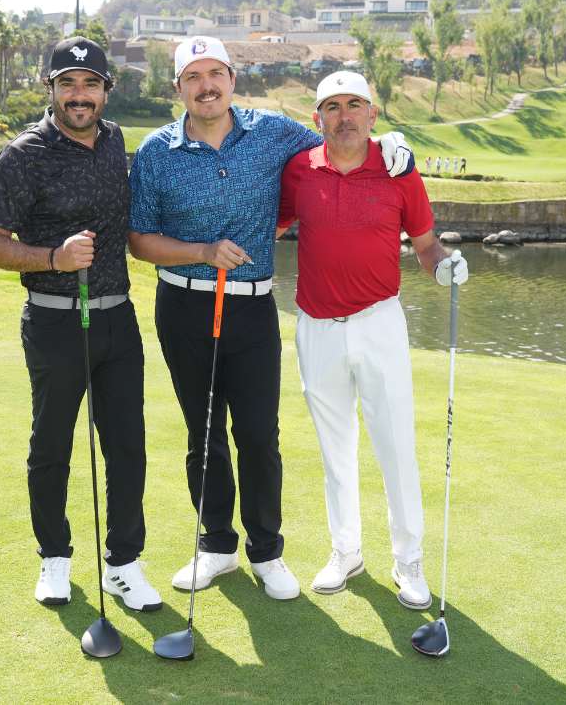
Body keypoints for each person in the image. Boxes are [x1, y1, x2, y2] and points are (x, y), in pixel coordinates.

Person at [128, 36, 413, 601]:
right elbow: (139, 240)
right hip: (184, 305)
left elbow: (340, 144)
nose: (206, 85)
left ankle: (266, 553)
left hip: (252, 306)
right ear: (179, 87)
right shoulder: (157, 151)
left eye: (216, 73)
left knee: (258, 435)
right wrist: (202, 251)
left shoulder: (274, 132)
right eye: (193, 77)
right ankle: (216, 548)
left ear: (232, 79)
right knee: (203, 432)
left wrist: (391, 141)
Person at [0, 38, 161, 613]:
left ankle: (124, 565)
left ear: (107, 91)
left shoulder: (114, 142)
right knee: (52, 446)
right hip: (55, 324)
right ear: (51, 89)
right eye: (68, 84)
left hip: (118, 321)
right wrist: (53, 258)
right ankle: (54, 558)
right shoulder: (24, 154)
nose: (79, 96)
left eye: (90, 84)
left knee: (127, 447)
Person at [277, 71, 469, 610]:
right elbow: (272, 223)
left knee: (394, 446)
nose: (344, 116)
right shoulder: (300, 169)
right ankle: (346, 551)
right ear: (318, 118)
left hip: (379, 323)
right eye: (332, 107)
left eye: (354, 105)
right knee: (335, 450)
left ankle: (408, 560)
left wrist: (444, 268)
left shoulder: (397, 169)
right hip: (315, 327)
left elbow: (426, 245)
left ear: (373, 114)